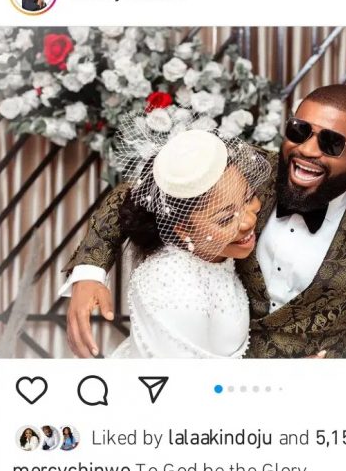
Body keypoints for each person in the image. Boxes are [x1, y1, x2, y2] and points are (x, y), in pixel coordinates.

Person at [61, 85, 346, 359]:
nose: (307, 149)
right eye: (299, 131)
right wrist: (89, 272)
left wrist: (342, 383)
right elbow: (140, 192)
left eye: (331, 142)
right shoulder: (246, 170)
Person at [109, 123, 269, 357]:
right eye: (225, 219)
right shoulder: (171, 284)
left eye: (248, 198)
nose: (248, 221)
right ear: (183, 230)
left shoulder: (214, 257)